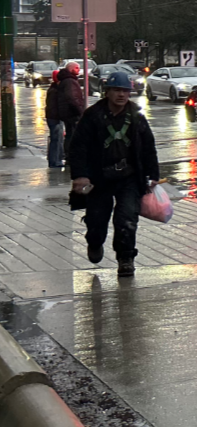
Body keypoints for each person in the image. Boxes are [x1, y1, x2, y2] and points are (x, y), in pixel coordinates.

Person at [67, 71, 160, 277]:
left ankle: (126, 258)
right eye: (117, 90)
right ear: (107, 92)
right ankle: (95, 241)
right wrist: (80, 176)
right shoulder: (92, 116)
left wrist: (152, 175)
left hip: (129, 178)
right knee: (97, 220)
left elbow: (148, 147)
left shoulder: (136, 116)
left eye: (125, 91)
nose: (121, 95)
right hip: (99, 178)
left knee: (126, 219)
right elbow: (78, 147)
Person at [54, 62, 86, 162]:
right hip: (72, 113)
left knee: (70, 134)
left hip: (68, 113)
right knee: (73, 135)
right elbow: (72, 97)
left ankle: (69, 155)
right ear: (71, 69)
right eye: (76, 68)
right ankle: (71, 156)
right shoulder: (70, 81)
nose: (79, 70)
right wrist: (80, 111)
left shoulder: (66, 80)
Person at [44, 70, 65, 168]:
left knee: (56, 139)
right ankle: (55, 161)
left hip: (53, 117)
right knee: (56, 140)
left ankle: (56, 160)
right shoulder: (56, 90)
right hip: (55, 118)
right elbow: (55, 106)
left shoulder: (52, 89)